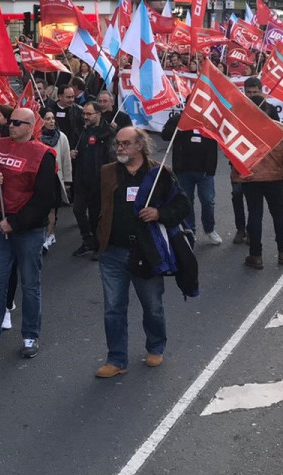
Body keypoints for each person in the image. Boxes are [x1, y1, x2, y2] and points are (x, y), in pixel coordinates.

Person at [93, 127, 190, 378]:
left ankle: (156, 346)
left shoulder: (159, 174)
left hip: (146, 252)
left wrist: (160, 214)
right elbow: (94, 204)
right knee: (113, 308)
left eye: (125, 144)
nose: (120, 148)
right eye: (117, 144)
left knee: (152, 305)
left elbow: (182, 206)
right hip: (112, 253)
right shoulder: (107, 172)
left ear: (140, 145)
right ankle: (116, 359)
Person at [0, 107, 59, 359]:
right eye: (10, 122)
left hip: (27, 231)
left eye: (17, 123)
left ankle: (30, 337)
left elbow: (44, 199)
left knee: (30, 284)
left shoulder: (43, 155)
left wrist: (16, 223)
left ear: (30, 127)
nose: (11, 126)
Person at [233, 109, 283, 269]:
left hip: (250, 179)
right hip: (274, 179)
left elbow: (233, 155)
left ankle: (255, 255)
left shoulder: (242, 130)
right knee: (278, 214)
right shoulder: (280, 129)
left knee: (254, 214)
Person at [160, 110, 222, 244]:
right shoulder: (179, 119)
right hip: (183, 170)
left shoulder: (210, 120)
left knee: (208, 201)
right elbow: (165, 136)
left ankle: (209, 229)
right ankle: (190, 231)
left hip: (205, 171)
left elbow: (222, 137)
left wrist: (210, 169)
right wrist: (178, 125)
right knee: (187, 202)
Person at [70, 101, 114, 258]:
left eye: (89, 114)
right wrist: (73, 154)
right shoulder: (82, 131)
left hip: (98, 182)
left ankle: (98, 245)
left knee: (95, 215)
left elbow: (111, 156)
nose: (85, 117)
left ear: (98, 114)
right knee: (78, 210)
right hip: (82, 179)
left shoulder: (107, 132)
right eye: (84, 114)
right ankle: (87, 240)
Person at [38, 108, 72, 252]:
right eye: (47, 118)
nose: (51, 121)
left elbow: (66, 159)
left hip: (55, 178)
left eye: (52, 118)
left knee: (52, 209)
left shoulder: (61, 137)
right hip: (40, 179)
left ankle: (50, 235)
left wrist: (68, 181)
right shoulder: (36, 137)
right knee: (41, 209)